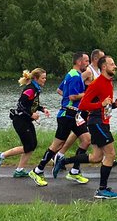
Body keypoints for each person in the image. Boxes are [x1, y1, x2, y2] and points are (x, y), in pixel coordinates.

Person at [32, 52, 90, 183]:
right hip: (67, 115)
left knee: (86, 140)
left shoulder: (72, 74)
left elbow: (61, 91)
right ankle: (37, 170)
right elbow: (72, 97)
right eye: (86, 61)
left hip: (75, 115)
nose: (88, 64)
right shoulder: (75, 77)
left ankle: (74, 171)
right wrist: (87, 93)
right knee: (57, 145)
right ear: (79, 62)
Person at [76, 54, 117, 200]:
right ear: (104, 67)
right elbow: (83, 105)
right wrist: (101, 104)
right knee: (110, 154)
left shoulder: (110, 83)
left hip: (104, 122)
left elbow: (106, 106)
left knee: (97, 157)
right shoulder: (97, 83)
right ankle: (101, 190)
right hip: (96, 122)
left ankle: (64, 161)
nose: (115, 66)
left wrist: (114, 105)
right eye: (112, 64)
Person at [0, 68, 51, 185]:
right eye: (43, 78)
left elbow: (32, 104)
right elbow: (20, 105)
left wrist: (42, 109)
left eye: (45, 78)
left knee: (32, 145)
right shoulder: (30, 89)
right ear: (35, 78)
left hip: (26, 120)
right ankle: (1, 155)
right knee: (29, 145)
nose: (45, 80)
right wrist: (32, 114)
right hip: (20, 120)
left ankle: (19, 170)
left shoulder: (36, 89)